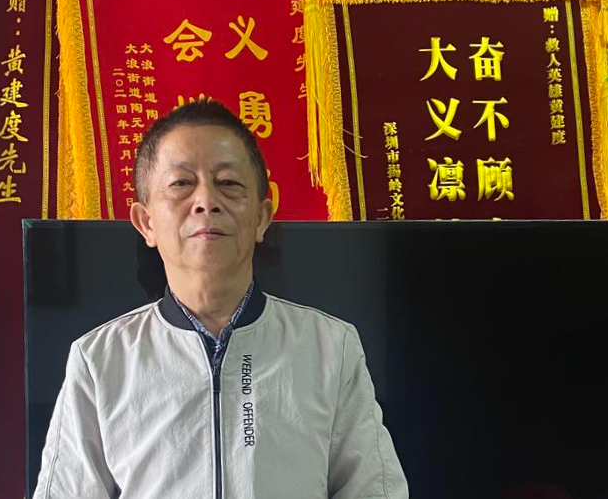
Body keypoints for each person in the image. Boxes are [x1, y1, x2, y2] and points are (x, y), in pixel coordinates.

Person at [33, 99, 408, 499]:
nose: (206, 201)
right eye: (181, 184)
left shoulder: (330, 347)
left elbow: (376, 491)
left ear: (262, 217)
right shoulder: (100, 360)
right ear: (146, 222)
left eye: (228, 183)